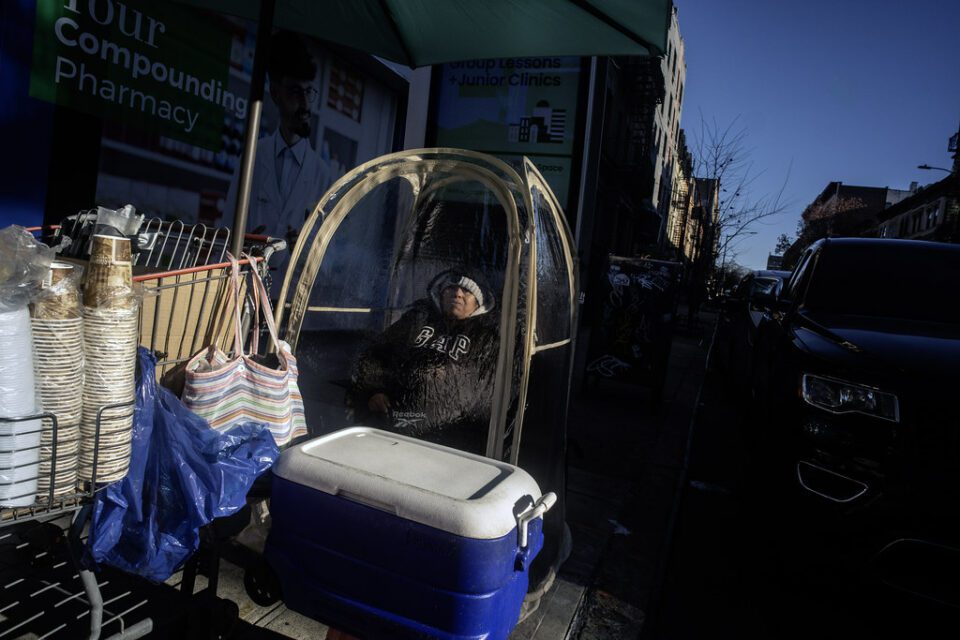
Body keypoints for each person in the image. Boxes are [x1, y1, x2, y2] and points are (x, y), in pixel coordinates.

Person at [348, 268, 500, 455]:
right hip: (391, 421)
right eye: (451, 288)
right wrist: (373, 392)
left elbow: (485, 390)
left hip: (447, 438)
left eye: (467, 291)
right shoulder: (418, 319)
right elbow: (377, 353)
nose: (458, 294)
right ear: (441, 293)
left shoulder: (486, 338)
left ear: (478, 303)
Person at [222, 30, 331, 251]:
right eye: (294, 91)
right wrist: (243, 244)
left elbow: (330, 257)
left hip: (291, 284)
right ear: (275, 93)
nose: (304, 103)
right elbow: (226, 230)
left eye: (308, 92)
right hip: (247, 280)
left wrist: (305, 246)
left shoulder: (322, 175)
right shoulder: (252, 158)